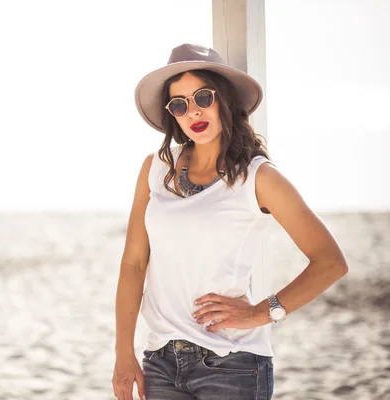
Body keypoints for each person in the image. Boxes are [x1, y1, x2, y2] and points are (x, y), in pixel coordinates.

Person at [111, 44, 349, 400]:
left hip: (232, 365)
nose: (193, 112)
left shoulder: (259, 177)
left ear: (223, 99)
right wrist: (122, 353)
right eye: (180, 104)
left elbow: (331, 262)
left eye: (203, 97)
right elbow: (133, 263)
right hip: (161, 362)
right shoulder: (155, 169)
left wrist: (261, 312)